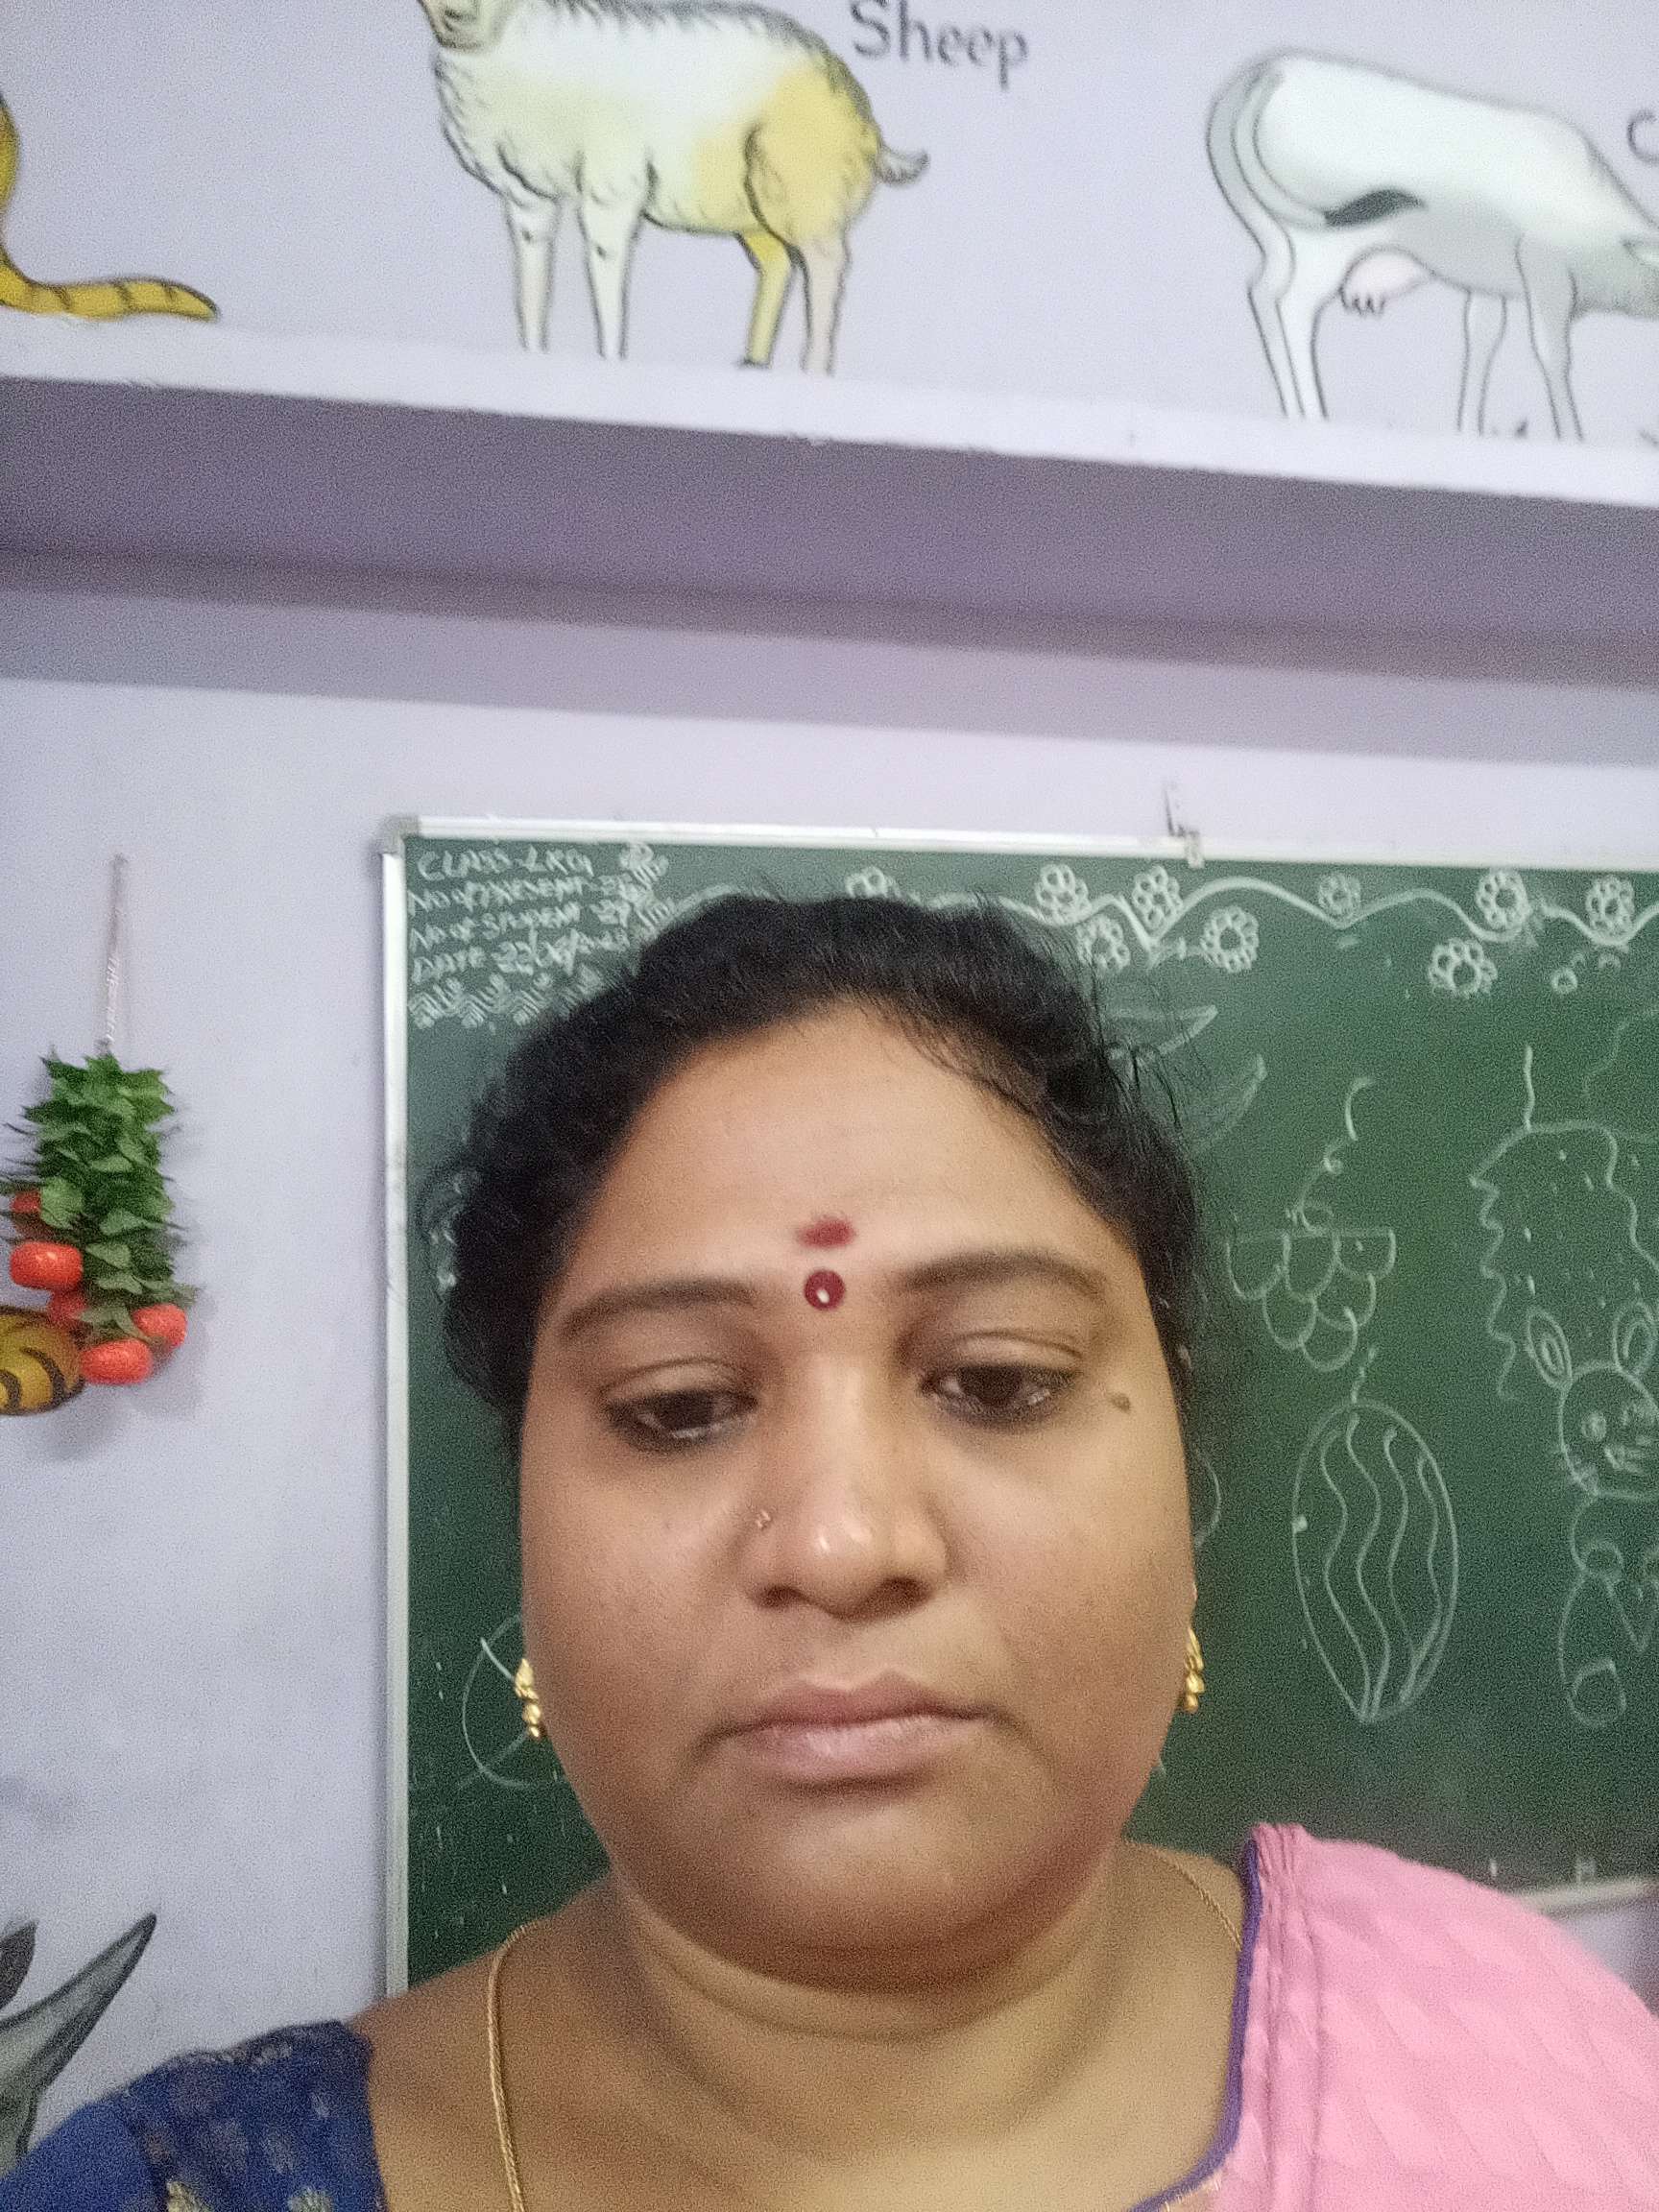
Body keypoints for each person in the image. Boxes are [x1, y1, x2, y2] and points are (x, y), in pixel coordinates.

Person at [6, 893, 1656, 2212]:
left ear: (1181, 1477)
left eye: (999, 1381)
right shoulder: (182, 2188)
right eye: (678, 1407)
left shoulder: (1524, 2050)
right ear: (523, 1526)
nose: (845, 1542)